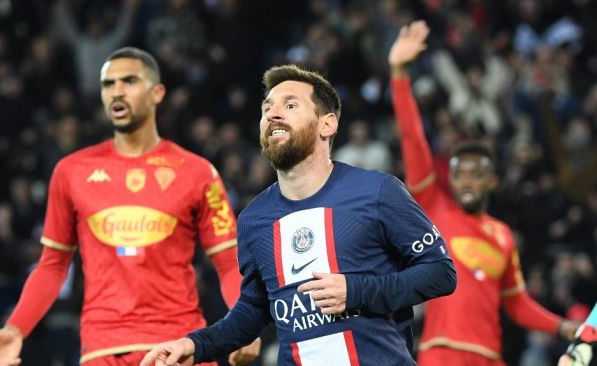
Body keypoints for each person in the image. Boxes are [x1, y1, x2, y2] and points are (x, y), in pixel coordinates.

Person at [139, 64, 457, 366]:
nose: (272, 113)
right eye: (266, 108)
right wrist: (194, 345)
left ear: (327, 124)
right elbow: (253, 309)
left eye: (290, 105)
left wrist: (358, 291)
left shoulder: (377, 191)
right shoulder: (254, 220)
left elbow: (440, 272)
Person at [0, 47, 260, 366]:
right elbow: (53, 265)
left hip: (180, 346)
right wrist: (16, 328)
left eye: (129, 81)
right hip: (104, 349)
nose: (116, 91)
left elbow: (228, 262)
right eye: (108, 84)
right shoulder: (72, 171)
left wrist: (244, 325)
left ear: (157, 92)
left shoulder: (197, 172)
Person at [389, 20, 579, 366]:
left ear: (492, 181)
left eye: (476, 175)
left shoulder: (503, 236)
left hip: (490, 358)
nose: (466, 181)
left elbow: (518, 304)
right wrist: (400, 75)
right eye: (460, 174)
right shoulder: (436, 211)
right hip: (441, 353)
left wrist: (563, 326)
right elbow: (412, 141)